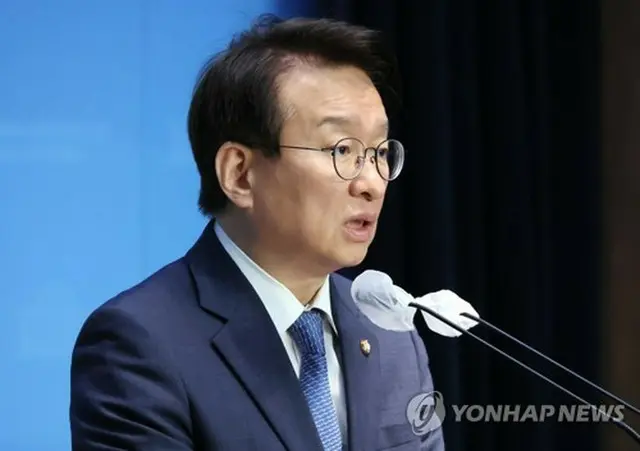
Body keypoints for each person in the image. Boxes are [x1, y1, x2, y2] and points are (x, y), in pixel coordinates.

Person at [69, 14, 445, 451]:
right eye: (342, 149)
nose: (372, 183)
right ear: (240, 174)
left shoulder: (391, 334)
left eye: (379, 152)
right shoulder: (138, 345)